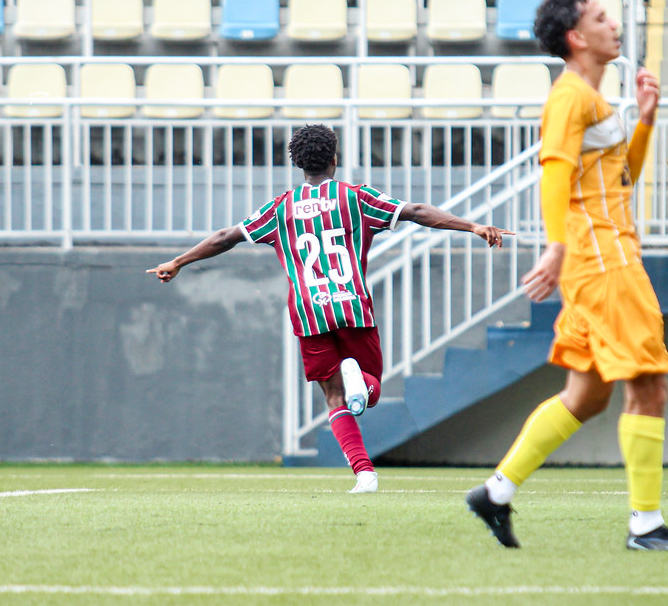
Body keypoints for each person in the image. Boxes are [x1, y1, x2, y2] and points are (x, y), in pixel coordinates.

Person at [465, 0, 668, 551]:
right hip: (602, 261)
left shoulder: (596, 99)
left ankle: (495, 494)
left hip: (603, 257)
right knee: (649, 385)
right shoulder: (569, 96)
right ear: (577, 38)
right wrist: (554, 245)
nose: (613, 25)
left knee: (588, 396)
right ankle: (645, 526)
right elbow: (553, 173)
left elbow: (622, 177)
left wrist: (645, 121)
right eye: (601, 18)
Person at [148, 124, 512, 493]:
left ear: (298, 165)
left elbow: (226, 237)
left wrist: (179, 261)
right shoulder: (356, 197)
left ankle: (364, 474)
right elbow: (415, 211)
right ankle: (359, 381)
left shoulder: (281, 207)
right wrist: (472, 225)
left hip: (309, 314)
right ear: (335, 160)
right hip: (351, 305)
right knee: (369, 394)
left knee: (334, 397)